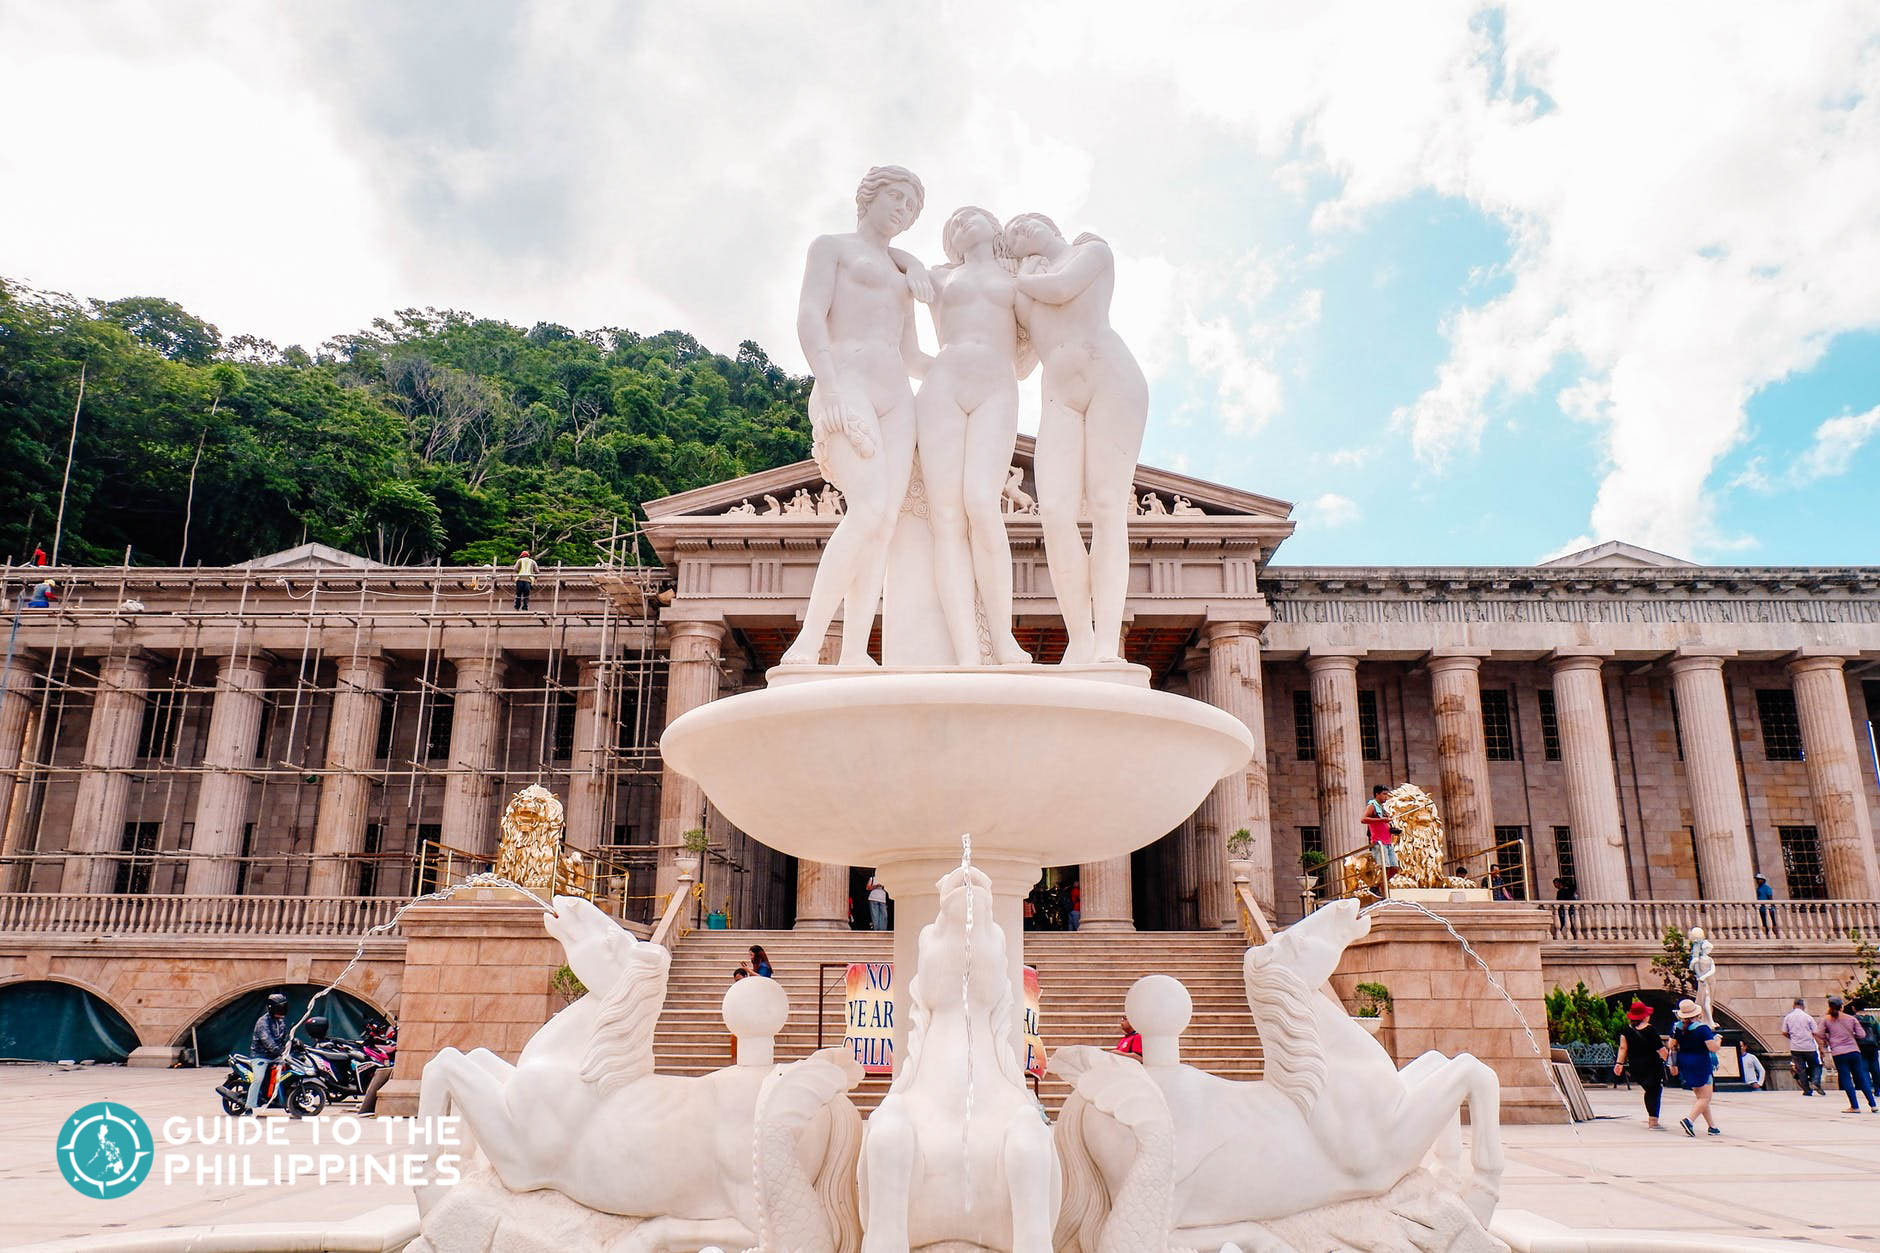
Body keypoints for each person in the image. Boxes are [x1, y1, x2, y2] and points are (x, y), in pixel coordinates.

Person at [778, 165, 932, 667]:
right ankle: (808, 642)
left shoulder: (906, 274)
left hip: (895, 393)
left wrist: (975, 365)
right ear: (869, 196)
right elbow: (809, 316)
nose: (902, 209)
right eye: (896, 196)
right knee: (866, 509)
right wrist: (830, 385)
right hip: (847, 382)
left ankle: (855, 653)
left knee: (883, 523)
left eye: (911, 206)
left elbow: (912, 356)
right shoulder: (832, 247)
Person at [1006, 212, 1148, 665]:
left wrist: (1016, 282)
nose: (1021, 240)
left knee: (1107, 507)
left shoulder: (1090, 251)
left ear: (1047, 225)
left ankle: (1106, 641)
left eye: (1025, 228)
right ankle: (1080, 639)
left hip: (1110, 376)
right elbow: (1020, 364)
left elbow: (1063, 288)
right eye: (1013, 240)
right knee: (1053, 511)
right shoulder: (1026, 285)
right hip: (1059, 394)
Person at [908, 205, 1034, 666]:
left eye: (969, 216)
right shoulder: (940, 277)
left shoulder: (1018, 279)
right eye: (953, 222)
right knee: (945, 517)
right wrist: (914, 264)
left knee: (982, 502)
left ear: (993, 225)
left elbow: (1028, 353)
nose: (960, 222)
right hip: (943, 384)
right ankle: (966, 651)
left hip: (997, 385)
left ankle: (1003, 640)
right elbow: (890, 261)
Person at [1667, 998, 1721, 1136]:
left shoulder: (1677, 1027)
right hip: (1701, 1062)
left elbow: (1671, 1044)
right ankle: (1689, 1120)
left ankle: (1712, 1126)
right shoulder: (1702, 1029)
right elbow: (1713, 1048)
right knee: (1705, 1098)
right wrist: (1718, 1040)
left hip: (1685, 1062)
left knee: (1701, 1097)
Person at [1814, 996, 1876, 1113]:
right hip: (1854, 1051)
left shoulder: (1826, 1019)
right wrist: (1852, 1035)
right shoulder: (1851, 1019)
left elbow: (1818, 1033)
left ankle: (1855, 1106)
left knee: (1846, 1078)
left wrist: (1828, 1038)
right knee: (1861, 1078)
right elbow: (1861, 1034)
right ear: (1842, 1006)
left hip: (1839, 1053)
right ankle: (1873, 1104)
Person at [1613, 1000, 1667, 1128]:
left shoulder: (1626, 1030)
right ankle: (1653, 1120)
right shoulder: (1650, 1030)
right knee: (1654, 1091)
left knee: (1649, 1090)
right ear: (1644, 1016)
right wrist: (1670, 1062)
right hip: (1652, 1065)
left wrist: (1619, 1063)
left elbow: (1622, 1048)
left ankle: (1652, 1118)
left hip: (1636, 1066)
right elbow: (1661, 1050)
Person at [246, 992, 291, 1114]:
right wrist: (281, 1051)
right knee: (258, 1078)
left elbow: (284, 1038)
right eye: (279, 1008)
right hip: (260, 1056)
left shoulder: (281, 1021)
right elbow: (268, 1042)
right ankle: (249, 1106)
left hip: (276, 1056)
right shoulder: (262, 1022)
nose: (282, 1011)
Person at [1782, 998, 1823, 1095]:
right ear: (1803, 1006)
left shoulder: (1788, 1017)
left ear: (1793, 1005)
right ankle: (1815, 1081)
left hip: (1795, 1047)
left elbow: (1784, 1032)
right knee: (1816, 1066)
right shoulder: (1808, 1017)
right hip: (1809, 1046)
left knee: (1801, 1069)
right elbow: (1815, 1032)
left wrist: (1792, 1037)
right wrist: (1821, 1047)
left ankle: (1807, 1090)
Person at [1362, 785, 1397, 879]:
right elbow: (1364, 819)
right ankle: (1376, 887)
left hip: (1388, 842)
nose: (1386, 796)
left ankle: (1379, 886)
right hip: (1379, 843)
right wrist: (1381, 820)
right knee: (1385, 867)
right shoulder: (1372, 806)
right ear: (1377, 794)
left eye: (1387, 794)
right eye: (1384, 794)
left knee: (1394, 868)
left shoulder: (1382, 808)